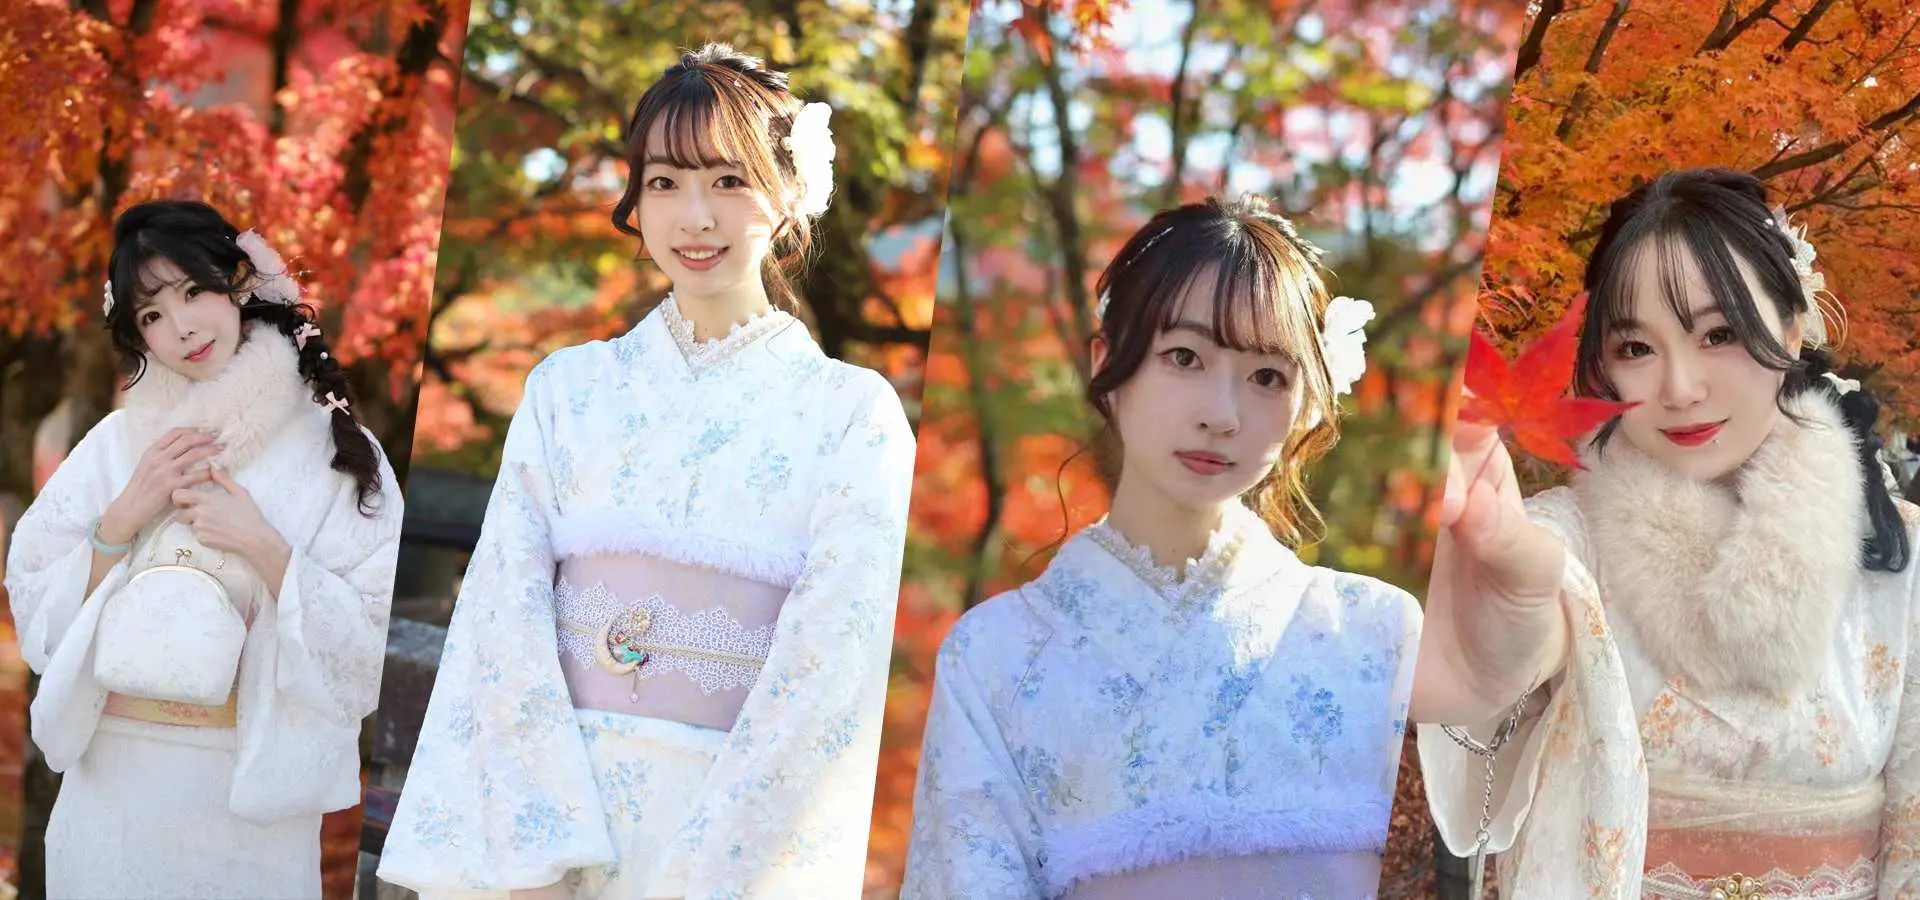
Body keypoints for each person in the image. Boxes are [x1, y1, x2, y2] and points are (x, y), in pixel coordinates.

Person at [378, 43, 917, 899]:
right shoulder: (566, 390)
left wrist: (707, 875)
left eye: (728, 181)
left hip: (723, 835)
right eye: (664, 182)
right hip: (553, 821)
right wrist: (536, 852)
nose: (693, 216)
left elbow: (827, 683)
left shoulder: (854, 415)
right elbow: (499, 620)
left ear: (788, 197)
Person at [1413, 168, 1920, 897]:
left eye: (1719, 334)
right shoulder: (1565, 536)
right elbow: (1547, 596)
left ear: (1791, 328)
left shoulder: (1897, 554)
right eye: (1636, 350)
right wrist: (1499, 645)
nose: (1680, 389)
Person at [903, 195, 1421, 899]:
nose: (1222, 413)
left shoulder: (1380, 635)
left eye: (1268, 376)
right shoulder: (995, 657)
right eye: (1184, 357)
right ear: (1108, 365)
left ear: (1309, 402)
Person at [5, 199, 402, 899]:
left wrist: (263, 546)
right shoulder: (117, 447)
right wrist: (125, 514)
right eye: (151, 317)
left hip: (245, 806)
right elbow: (35, 597)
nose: (179, 327)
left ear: (240, 281)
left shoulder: (335, 451)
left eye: (193, 292)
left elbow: (371, 640)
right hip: (112, 792)